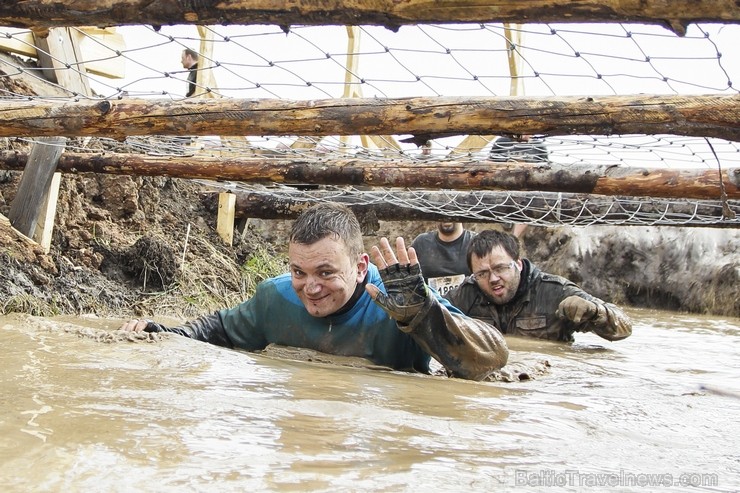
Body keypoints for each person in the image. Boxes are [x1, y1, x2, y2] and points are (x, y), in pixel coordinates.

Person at [122, 203, 508, 381]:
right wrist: (166, 336)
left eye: (325, 272)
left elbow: (492, 357)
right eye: (298, 271)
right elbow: (219, 329)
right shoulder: (276, 298)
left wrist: (423, 317)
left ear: (360, 268)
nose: (311, 287)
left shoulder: (402, 301)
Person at [445, 229, 632, 342]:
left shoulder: (555, 292)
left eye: (500, 268)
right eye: (482, 274)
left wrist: (595, 311)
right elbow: (431, 313)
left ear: (518, 264)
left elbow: (624, 328)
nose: (493, 279)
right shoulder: (466, 295)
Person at [411, 222, 475, 296]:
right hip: (430, 306)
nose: (446, 217)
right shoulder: (421, 243)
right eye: (442, 210)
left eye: (451, 210)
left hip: (468, 306)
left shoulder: (475, 243)